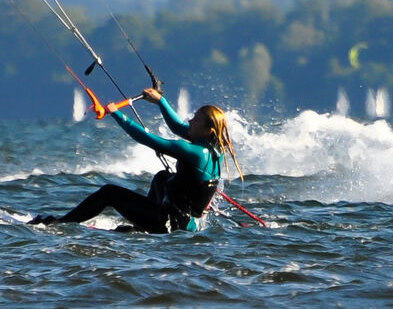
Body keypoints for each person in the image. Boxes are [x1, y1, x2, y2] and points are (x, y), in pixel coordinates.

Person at [30, 88, 241, 232]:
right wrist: (160, 101)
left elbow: (148, 139)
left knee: (109, 192)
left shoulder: (195, 152)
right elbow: (177, 126)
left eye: (195, 119)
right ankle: (142, 226)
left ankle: (60, 223)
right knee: (162, 177)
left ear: (208, 130)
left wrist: (117, 115)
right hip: (187, 224)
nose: (190, 120)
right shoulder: (212, 147)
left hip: (170, 224)